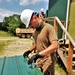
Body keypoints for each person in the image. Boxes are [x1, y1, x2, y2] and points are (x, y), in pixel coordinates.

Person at [20, 9, 58, 75]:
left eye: (30, 24)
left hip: (49, 58)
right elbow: (37, 43)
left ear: (34, 17)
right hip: (40, 58)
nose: (30, 26)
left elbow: (55, 45)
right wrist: (29, 51)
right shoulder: (35, 31)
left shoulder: (48, 28)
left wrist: (38, 54)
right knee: (35, 72)